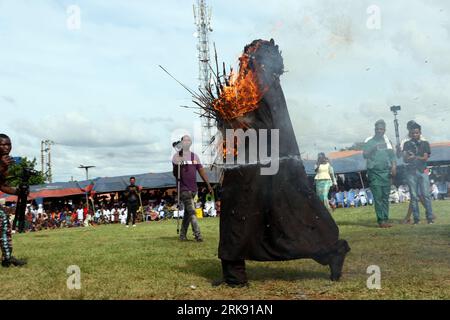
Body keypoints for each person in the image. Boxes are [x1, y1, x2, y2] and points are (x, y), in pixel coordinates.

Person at [172, 135, 214, 242]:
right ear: (181, 143)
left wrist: (208, 185)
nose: (187, 142)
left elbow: (201, 171)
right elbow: (175, 174)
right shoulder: (176, 156)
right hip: (183, 189)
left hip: (194, 189)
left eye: (188, 140)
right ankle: (198, 235)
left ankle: (182, 235)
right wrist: (178, 164)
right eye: (184, 140)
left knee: (188, 213)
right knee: (192, 212)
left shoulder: (195, 156)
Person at [362, 120, 397, 228]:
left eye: (381, 129)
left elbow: (392, 156)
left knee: (385, 197)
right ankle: (381, 220)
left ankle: (386, 219)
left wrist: (394, 167)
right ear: (374, 129)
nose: (379, 131)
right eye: (377, 129)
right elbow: (365, 155)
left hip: (386, 172)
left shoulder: (388, 142)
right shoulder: (369, 141)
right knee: (378, 197)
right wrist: (373, 148)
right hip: (374, 173)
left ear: (384, 130)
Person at [0, 134, 27, 267]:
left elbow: (1, 185)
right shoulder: (3, 163)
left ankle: (7, 257)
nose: (7, 147)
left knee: (4, 223)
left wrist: (18, 191)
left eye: (9, 144)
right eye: (3, 144)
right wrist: (2, 167)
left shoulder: (5, 161)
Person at [402, 122, 435, 224]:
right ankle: (416, 219)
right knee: (414, 196)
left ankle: (430, 218)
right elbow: (405, 159)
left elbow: (425, 158)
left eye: (416, 133)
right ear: (410, 133)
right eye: (412, 133)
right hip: (411, 172)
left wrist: (414, 157)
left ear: (420, 132)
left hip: (423, 171)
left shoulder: (425, 143)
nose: (414, 135)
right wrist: (408, 157)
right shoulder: (407, 144)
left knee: (426, 195)